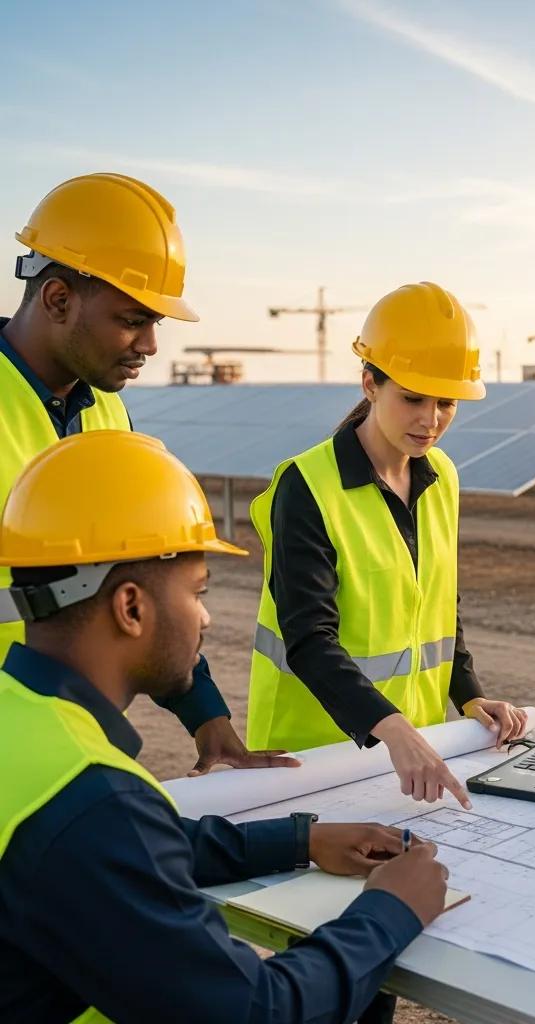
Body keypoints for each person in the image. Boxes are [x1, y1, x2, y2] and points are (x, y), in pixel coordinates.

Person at [0, 430, 450, 1024]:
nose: (207, 618)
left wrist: (301, 840)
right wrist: (391, 909)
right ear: (131, 608)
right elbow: (256, 1010)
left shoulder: (27, 726)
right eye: (197, 593)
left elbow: (133, 852)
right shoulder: (91, 799)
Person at [1, 171, 299, 775]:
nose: (151, 344)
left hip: (69, 747)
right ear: (58, 299)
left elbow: (149, 572)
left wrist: (208, 719)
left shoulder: (107, 409)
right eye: (133, 319)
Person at [247, 281, 528, 808]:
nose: (432, 419)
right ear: (370, 384)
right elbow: (308, 640)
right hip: (313, 759)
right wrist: (394, 732)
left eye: (447, 402)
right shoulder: (306, 487)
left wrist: (468, 694)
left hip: (410, 751)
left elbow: (440, 605)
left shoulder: (441, 476)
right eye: (413, 398)